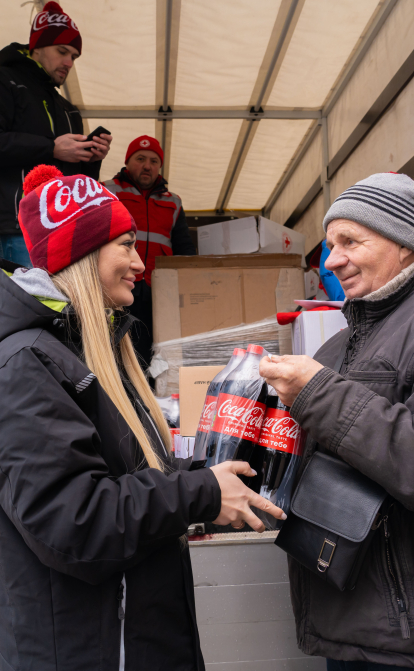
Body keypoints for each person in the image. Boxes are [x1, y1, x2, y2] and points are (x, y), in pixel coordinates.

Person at [0, 163, 285, 671]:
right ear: (83, 254)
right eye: (126, 245)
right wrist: (200, 492)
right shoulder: (27, 363)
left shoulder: (92, 352)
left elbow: (133, 472)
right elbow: (72, 520)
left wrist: (213, 476)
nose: (140, 263)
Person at [260, 172, 414, 670]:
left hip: (400, 631)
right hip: (347, 623)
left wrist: (319, 393)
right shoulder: (335, 344)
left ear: (406, 244)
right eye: (330, 245)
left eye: (351, 241)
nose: (332, 260)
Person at [0, 1, 112, 267]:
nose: (69, 62)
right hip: (12, 230)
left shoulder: (68, 109)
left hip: (58, 232)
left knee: (52, 309)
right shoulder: (5, 81)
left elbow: (77, 182)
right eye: (62, 51)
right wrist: (50, 148)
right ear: (36, 47)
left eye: (74, 56)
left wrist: (92, 157)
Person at [103, 135, 195, 370]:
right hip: (118, 284)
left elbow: (184, 250)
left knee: (153, 348)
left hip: (159, 291)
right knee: (114, 345)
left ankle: (149, 397)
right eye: (140, 158)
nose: (147, 165)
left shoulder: (173, 202)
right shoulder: (106, 191)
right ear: (127, 162)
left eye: (154, 161)